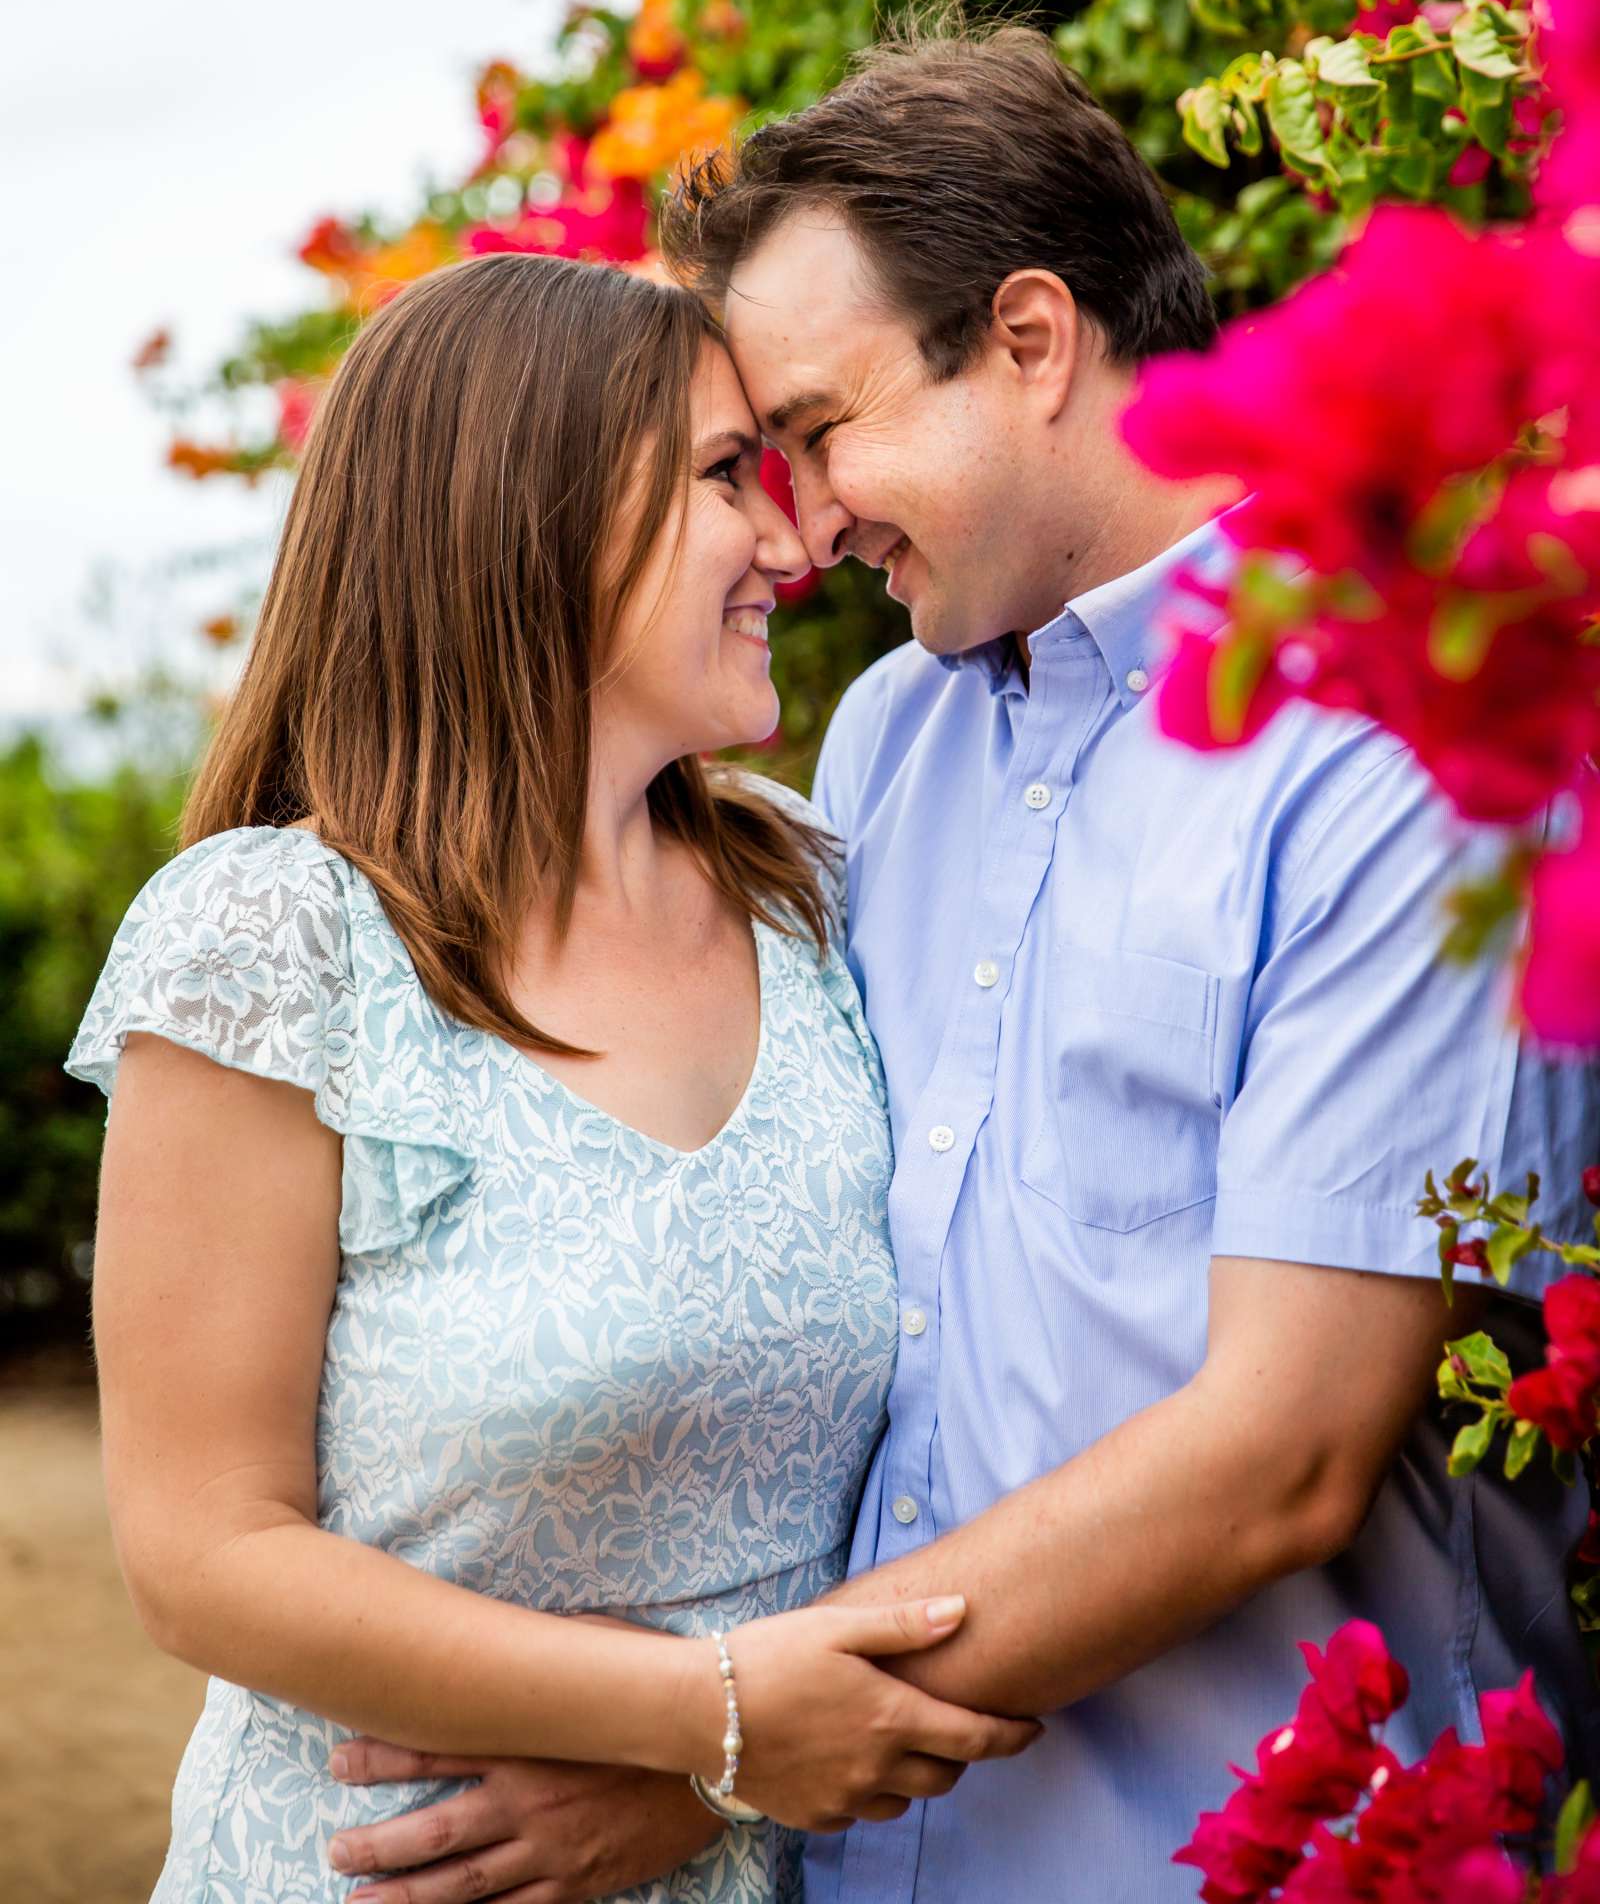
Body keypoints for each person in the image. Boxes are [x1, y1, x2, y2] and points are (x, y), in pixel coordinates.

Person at [337, 25, 1598, 1902]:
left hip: (1255, 1856)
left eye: (825, 432)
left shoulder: (1400, 737)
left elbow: (1286, 1449)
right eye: (761, 461)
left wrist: (717, 1764)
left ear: (1029, 342)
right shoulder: (884, 755)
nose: (802, 518)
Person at [72, 252, 1039, 1904]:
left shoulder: (813, 890)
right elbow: (204, 1555)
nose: (797, 542)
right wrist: (711, 1721)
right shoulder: (272, 941)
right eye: (730, 476)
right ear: (538, 510)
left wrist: (706, 1783)